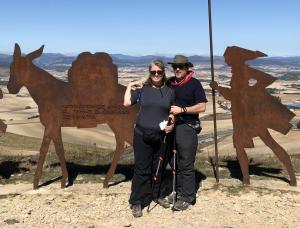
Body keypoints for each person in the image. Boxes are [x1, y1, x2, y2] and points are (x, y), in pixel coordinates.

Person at [124, 59, 175, 217]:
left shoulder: (170, 91)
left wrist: (172, 124)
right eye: (153, 72)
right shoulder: (143, 90)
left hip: (161, 136)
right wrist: (129, 86)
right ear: (150, 73)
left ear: (163, 73)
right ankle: (137, 201)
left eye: (159, 72)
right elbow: (126, 103)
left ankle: (157, 195)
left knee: (158, 168)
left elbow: (172, 112)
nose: (156, 75)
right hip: (142, 135)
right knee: (141, 169)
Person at [167, 55, 207, 211]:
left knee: (186, 162)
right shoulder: (170, 82)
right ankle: (179, 190)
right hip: (171, 126)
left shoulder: (194, 84)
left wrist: (182, 110)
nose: (177, 69)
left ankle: (188, 197)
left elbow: (202, 106)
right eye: (175, 66)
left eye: (181, 67)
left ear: (187, 68)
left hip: (186, 126)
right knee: (172, 160)